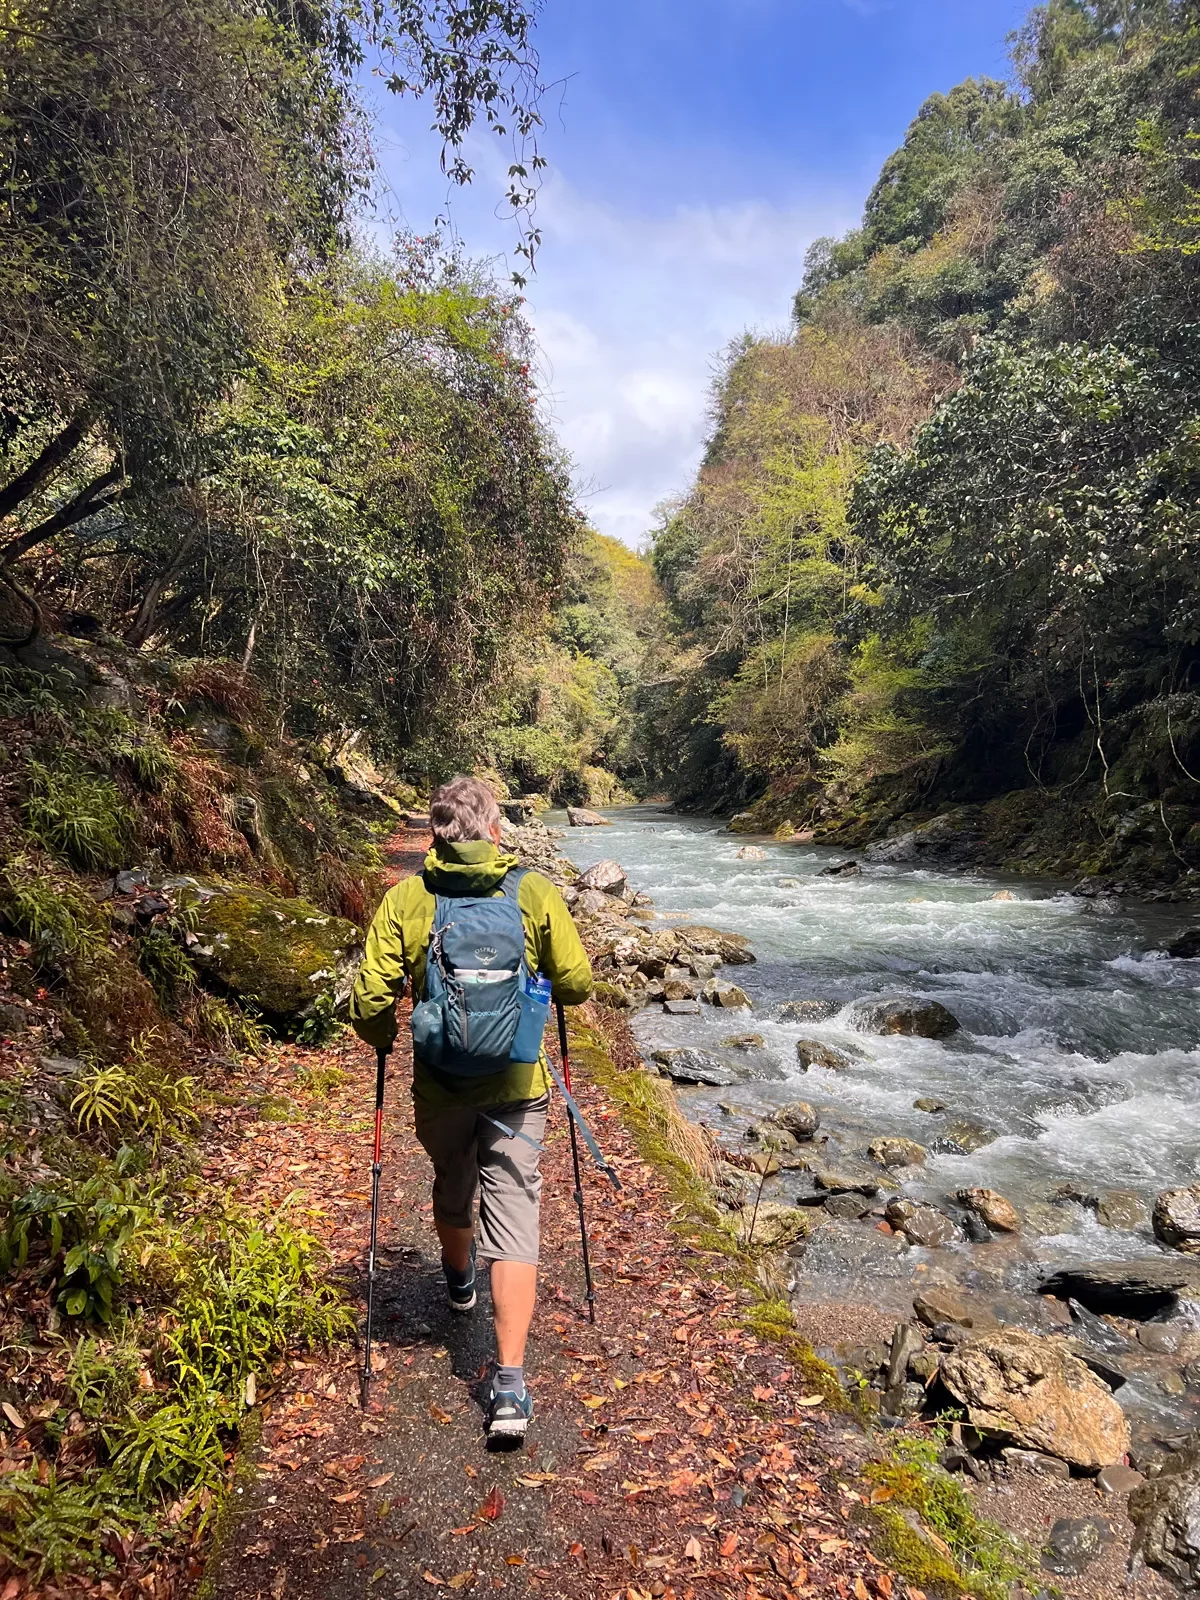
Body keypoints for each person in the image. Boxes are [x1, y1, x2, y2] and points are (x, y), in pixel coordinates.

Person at [349, 775, 592, 1441]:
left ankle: (460, 1282)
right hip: (517, 1084)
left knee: (451, 1185)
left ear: (435, 835)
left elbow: (369, 1001)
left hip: (441, 1083)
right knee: (514, 1207)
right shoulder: (533, 890)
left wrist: (379, 1039)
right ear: (495, 830)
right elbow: (575, 981)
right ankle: (509, 1384)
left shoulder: (408, 898)